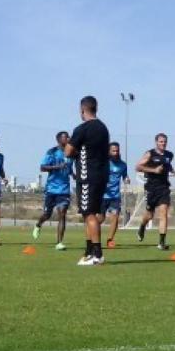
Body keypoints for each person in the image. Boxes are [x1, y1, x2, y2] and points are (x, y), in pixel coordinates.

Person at [65, 96, 111, 266]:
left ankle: (97, 254)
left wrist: (69, 145)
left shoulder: (82, 128)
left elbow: (68, 152)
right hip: (101, 175)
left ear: (82, 110)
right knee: (89, 213)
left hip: (87, 176)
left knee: (89, 214)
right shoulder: (103, 128)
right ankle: (89, 251)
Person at [135, 133, 175, 250]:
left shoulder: (169, 155)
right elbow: (138, 167)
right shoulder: (149, 154)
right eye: (161, 141)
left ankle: (162, 243)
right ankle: (142, 226)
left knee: (163, 213)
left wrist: (174, 171)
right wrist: (154, 170)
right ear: (156, 142)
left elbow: (168, 166)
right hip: (151, 188)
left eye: (165, 141)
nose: (163, 143)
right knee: (149, 215)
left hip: (164, 188)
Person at [34, 132, 73, 250]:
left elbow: (69, 168)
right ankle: (38, 224)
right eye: (65, 137)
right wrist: (57, 167)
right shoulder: (51, 152)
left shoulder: (70, 153)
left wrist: (74, 175)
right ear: (59, 139)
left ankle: (59, 243)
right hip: (51, 189)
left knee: (62, 214)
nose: (68, 138)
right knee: (47, 214)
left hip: (64, 190)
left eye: (68, 137)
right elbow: (42, 167)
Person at [102, 142, 130, 249]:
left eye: (117, 150)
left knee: (115, 217)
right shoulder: (104, 163)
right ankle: (93, 237)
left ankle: (110, 240)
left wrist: (126, 179)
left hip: (115, 196)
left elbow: (124, 176)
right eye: (113, 150)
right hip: (102, 195)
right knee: (100, 218)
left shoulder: (122, 165)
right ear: (108, 151)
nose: (116, 152)